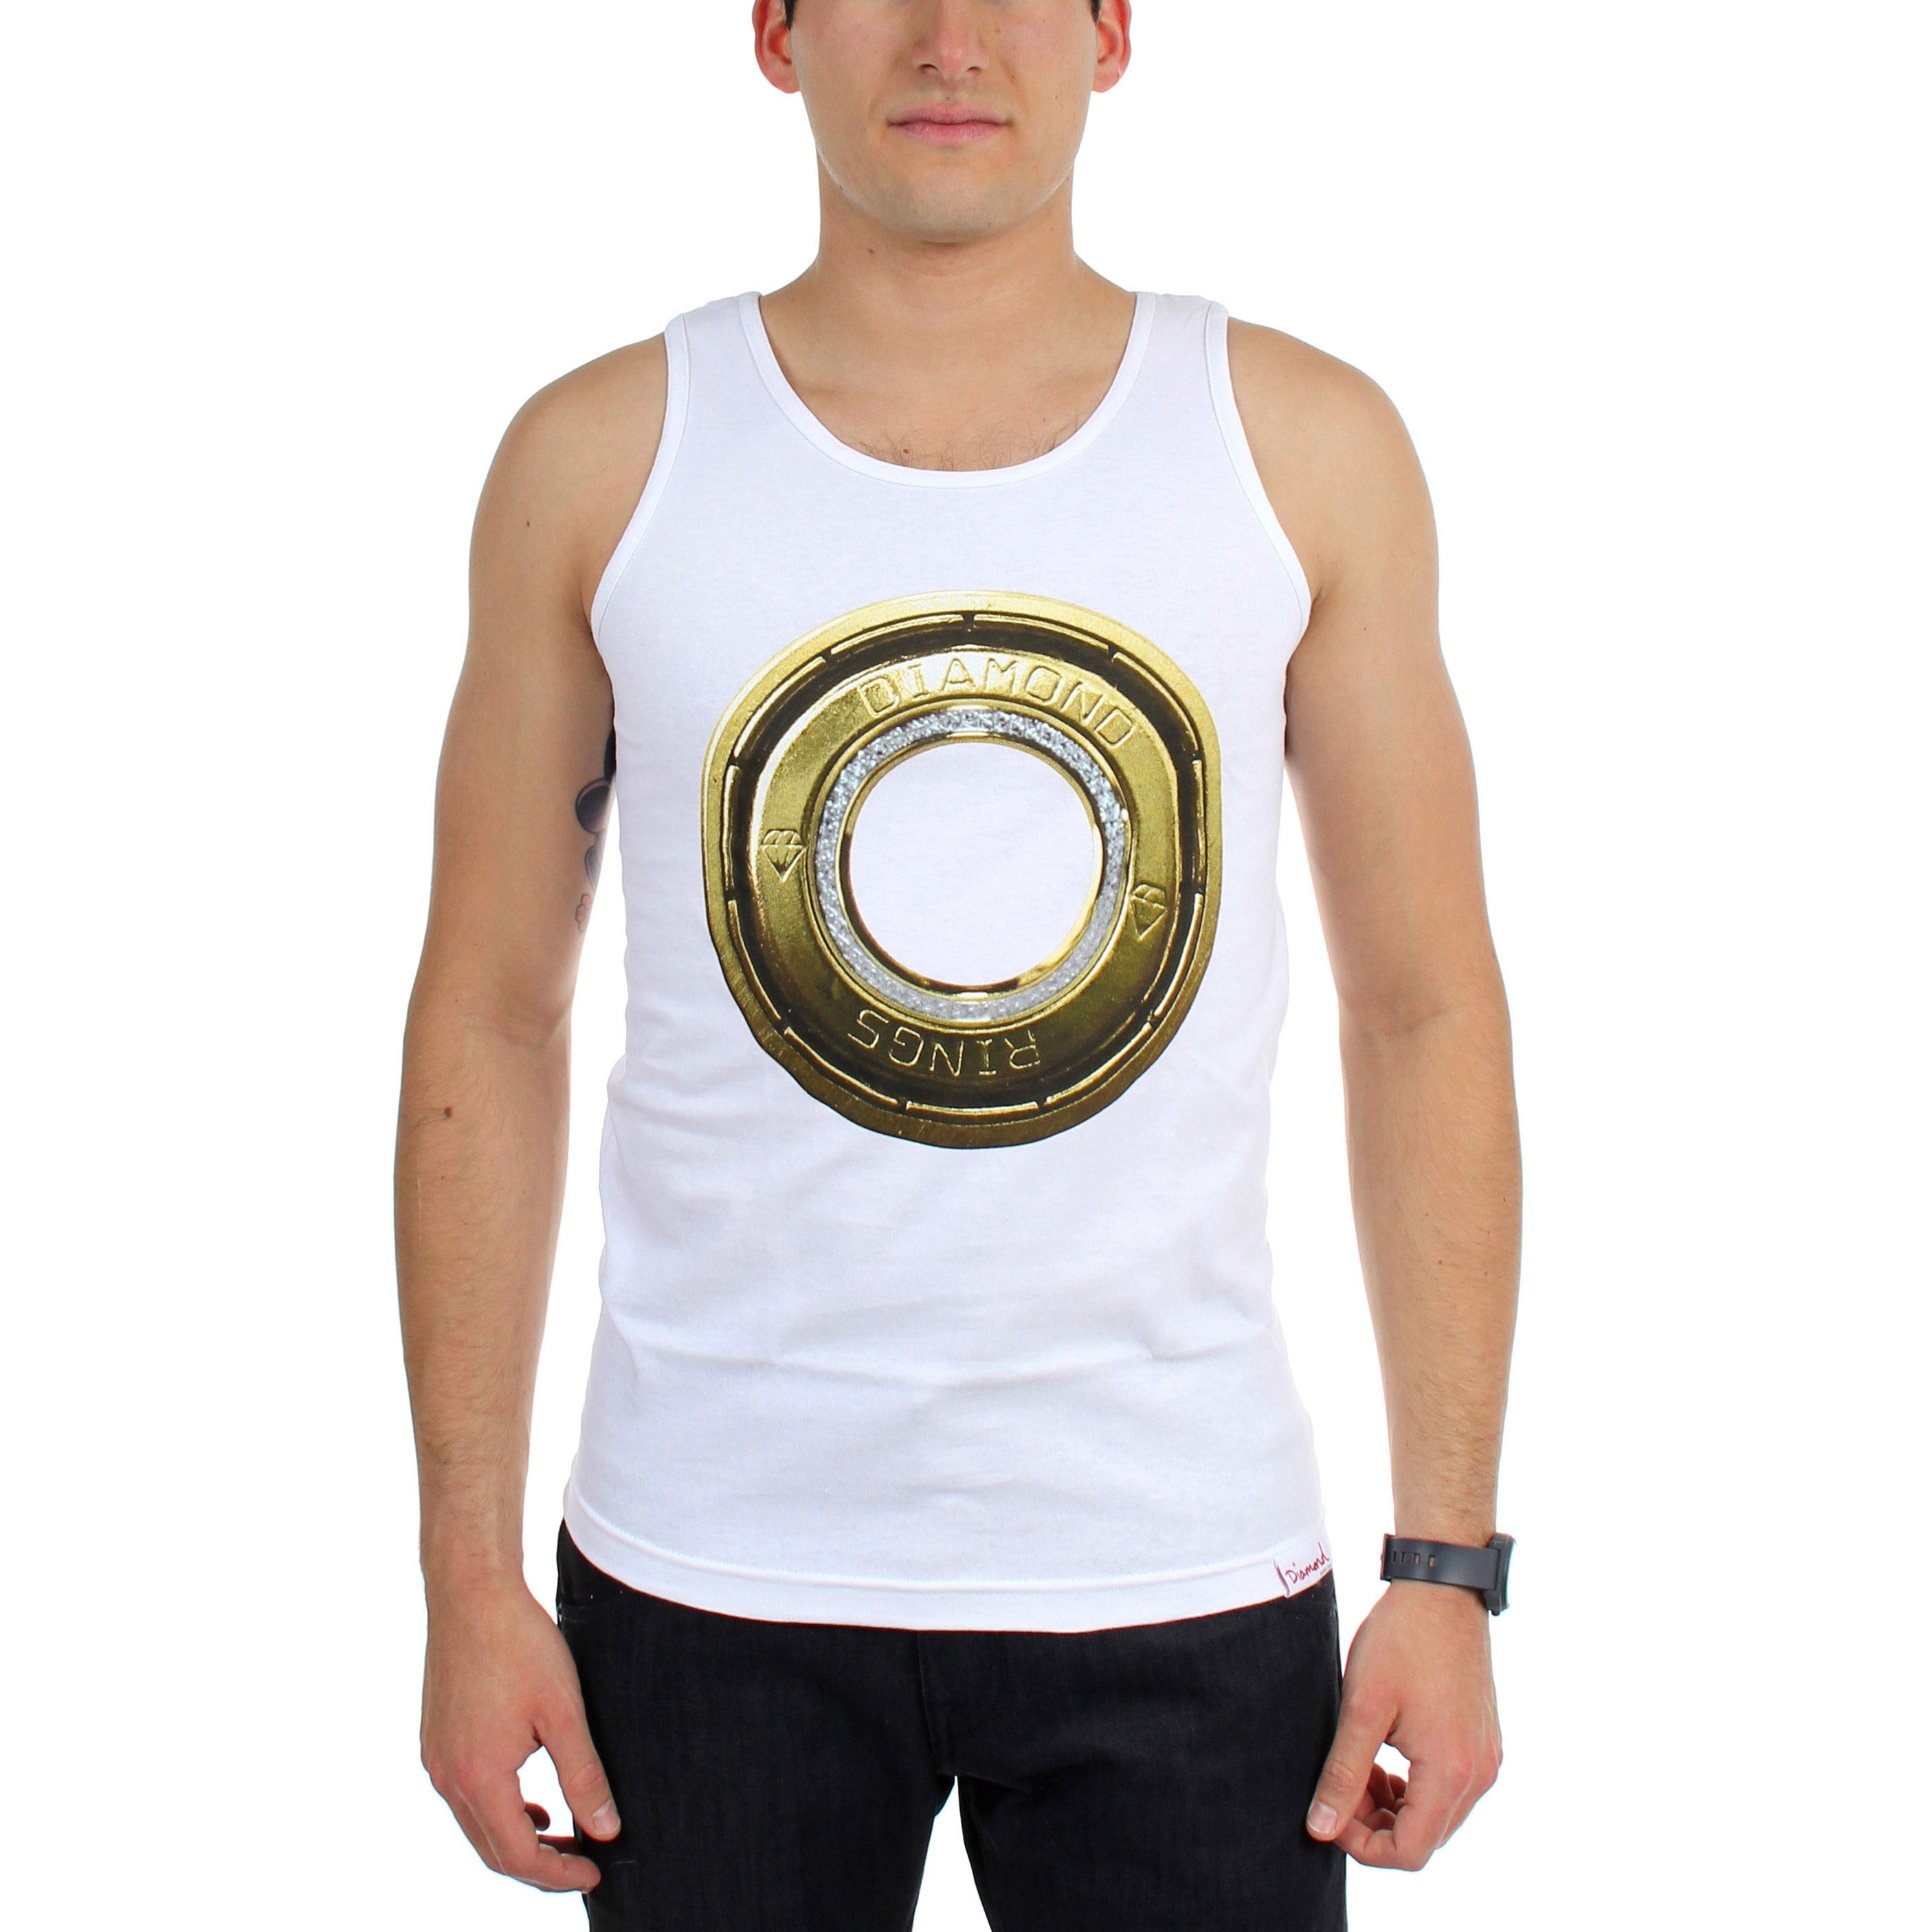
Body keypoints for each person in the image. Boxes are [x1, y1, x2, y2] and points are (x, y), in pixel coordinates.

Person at [394, 3, 1521, 1927]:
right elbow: (489, 1014)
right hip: (704, 1570)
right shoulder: (599, 460)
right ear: (775, 33)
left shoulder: (1301, 448)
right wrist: (464, 1578)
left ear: (1111, 33)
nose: (948, 38)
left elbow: (1423, 1009)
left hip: (1180, 1561)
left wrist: (1447, 1565)